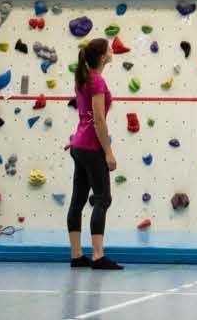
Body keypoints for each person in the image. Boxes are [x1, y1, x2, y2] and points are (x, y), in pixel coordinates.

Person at [67, 37, 121, 270]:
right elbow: (98, 120)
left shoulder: (83, 77)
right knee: (102, 199)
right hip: (90, 147)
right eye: (109, 49)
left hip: (79, 145)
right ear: (102, 57)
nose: (112, 51)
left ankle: (77, 255)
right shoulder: (97, 81)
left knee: (78, 201)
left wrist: (77, 140)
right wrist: (108, 152)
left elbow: (85, 116)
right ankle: (98, 256)